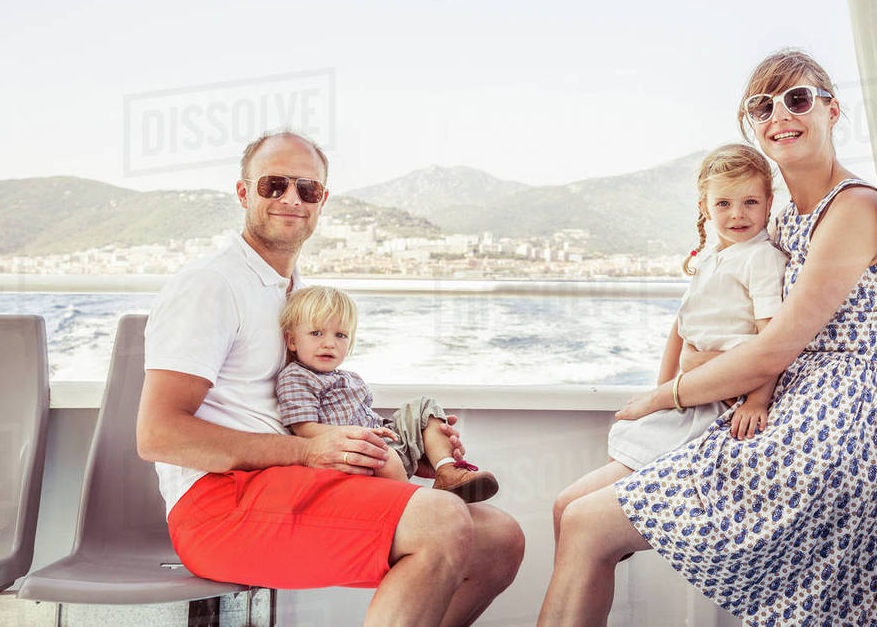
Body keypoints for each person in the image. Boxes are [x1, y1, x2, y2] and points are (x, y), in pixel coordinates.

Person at [538, 50, 877, 626]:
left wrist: (662, 397)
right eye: (762, 106)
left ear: (832, 109)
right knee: (568, 507)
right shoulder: (780, 220)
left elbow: (774, 348)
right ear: (751, 125)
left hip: (834, 417)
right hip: (775, 396)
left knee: (590, 524)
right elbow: (725, 311)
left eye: (798, 98)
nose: (780, 114)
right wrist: (690, 376)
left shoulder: (856, 207)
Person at [137, 130, 524, 627]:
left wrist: (394, 447)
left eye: (308, 189)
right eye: (273, 185)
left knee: (499, 540)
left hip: (290, 483)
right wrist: (308, 451)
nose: (291, 199)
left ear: (323, 201)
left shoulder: (292, 292)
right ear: (243, 193)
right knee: (439, 518)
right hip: (218, 506)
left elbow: (310, 410)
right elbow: (158, 435)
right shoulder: (210, 285)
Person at [551, 144, 787, 545]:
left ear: (768, 203)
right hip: (686, 396)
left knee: (568, 508)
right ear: (705, 208)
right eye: (724, 203)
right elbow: (679, 329)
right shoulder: (713, 256)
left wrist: (756, 402)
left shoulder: (761, 258)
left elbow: (771, 342)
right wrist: (659, 391)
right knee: (584, 494)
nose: (737, 214)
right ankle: (597, 551)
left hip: (718, 401)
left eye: (750, 201)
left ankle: (597, 548)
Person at [277, 285, 499, 503]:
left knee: (423, 407)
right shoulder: (297, 377)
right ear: (292, 341)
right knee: (383, 454)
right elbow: (304, 428)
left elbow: (369, 416)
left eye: (340, 335)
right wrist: (361, 434)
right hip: (352, 453)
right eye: (316, 333)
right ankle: (413, 504)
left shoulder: (350, 377)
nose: (329, 343)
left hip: (380, 438)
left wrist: (418, 433)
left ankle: (446, 470)